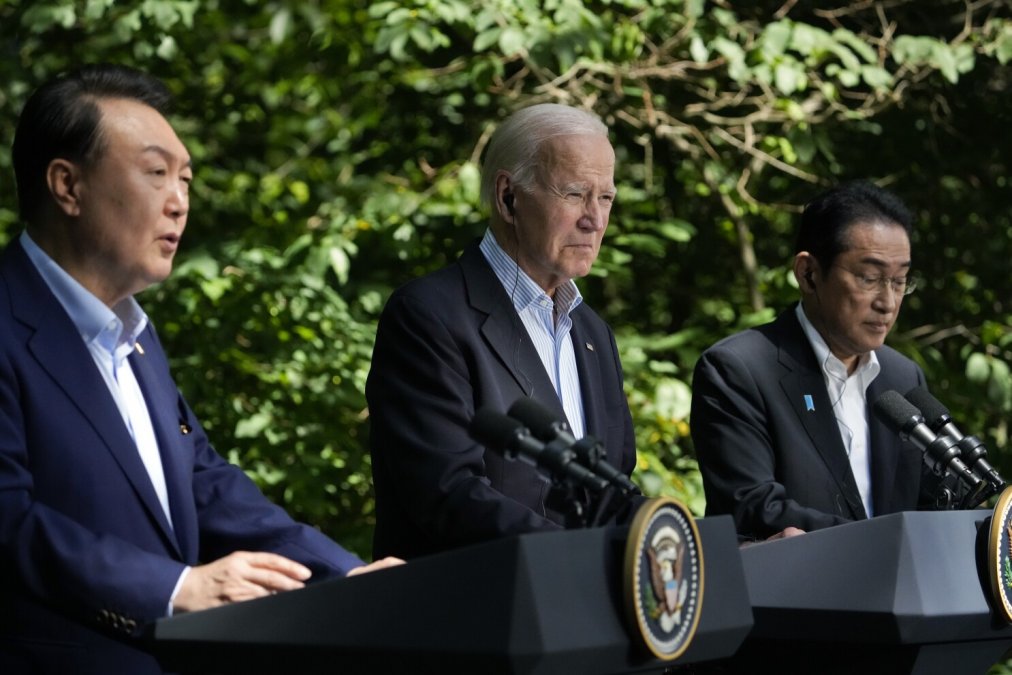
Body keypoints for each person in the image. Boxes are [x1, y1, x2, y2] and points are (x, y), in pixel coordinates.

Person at [0, 64, 400, 674]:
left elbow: (203, 481)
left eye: (186, 178)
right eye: (156, 173)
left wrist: (344, 574)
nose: (180, 202)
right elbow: (9, 521)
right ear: (67, 186)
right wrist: (174, 588)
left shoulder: (133, 333)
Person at [366, 103, 637, 560]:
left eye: (605, 198)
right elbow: (448, 495)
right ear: (508, 196)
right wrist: (587, 557)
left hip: (586, 614)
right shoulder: (427, 315)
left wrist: (704, 542)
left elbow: (613, 494)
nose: (595, 219)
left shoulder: (592, 332)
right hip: (471, 615)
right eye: (574, 194)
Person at [691, 181, 941, 541]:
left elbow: (931, 503)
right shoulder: (738, 369)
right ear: (809, 274)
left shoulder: (903, 378)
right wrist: (884, 543)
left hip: (900, 594)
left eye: (900, 281)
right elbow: (754, 506)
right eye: (869, 278)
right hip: (791, 591)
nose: (888, 302)